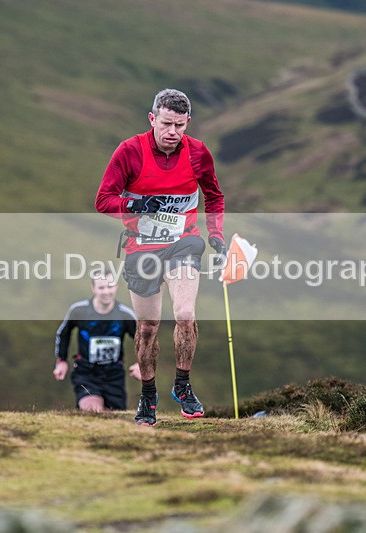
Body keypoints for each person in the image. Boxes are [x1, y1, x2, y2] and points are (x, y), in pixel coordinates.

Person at [95, 88, 226, 426]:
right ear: (152, 119)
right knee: (148, 327)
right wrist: (135, 204)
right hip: (141, 247)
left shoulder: (198, 153)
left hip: (184, 242)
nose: (172, 132)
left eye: (179, 125)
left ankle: (183, 384)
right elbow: (103, 200)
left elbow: (214, 196)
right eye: (166, 123)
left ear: (188, 123)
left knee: (185, 314)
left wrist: (216, 235)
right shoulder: (129, 151)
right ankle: (148, 395)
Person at [53, 272, 141, 412]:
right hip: (86, 372)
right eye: (101, 287)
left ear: (116, 287)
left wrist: (142, 364)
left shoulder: (125, 315)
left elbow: (144, 340)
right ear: (93, 288)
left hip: (114, 375)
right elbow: (63, 333)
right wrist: (61, 360)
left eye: (109, 287)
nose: (106, 291)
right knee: (92, 410)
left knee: (116, 417)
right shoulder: (79, 311)